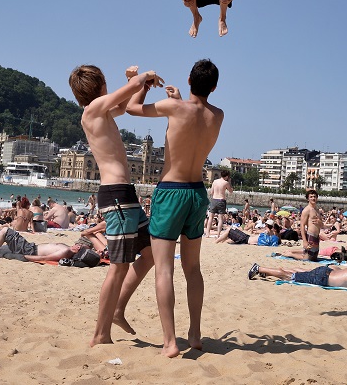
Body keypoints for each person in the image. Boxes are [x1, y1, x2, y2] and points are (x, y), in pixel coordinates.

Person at [124, 59, 224, 357]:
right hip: (197, 193)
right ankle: (194, 332)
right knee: (192, 268)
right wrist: (179, 99)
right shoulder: (217, 115)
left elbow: (131, 108)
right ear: (215, 87)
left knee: (164, 269)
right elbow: (191, 122)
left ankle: (170, 342)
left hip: (171, 192)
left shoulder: (174, 108)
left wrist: (142, 84)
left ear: (190, 80)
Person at [68, 63, 164, 348]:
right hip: (117, 196)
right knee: (119, 267)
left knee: (149, 255)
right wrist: (143, 76)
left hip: (126, 196)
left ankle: (118, 310)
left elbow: (128, 103)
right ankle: (99, 334)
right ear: (98, 86)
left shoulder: (102, 111)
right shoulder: (93, 110)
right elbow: (128, 92)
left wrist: (140, 83)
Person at [248, 249, 347, 291]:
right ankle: (259, 268)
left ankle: (266, 271)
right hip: (323, 279)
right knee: (289, 276)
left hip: (326, 271)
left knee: (296, 271)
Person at [0, 227, 80, 262]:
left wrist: (26, 257)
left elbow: (45, 258)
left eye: (80, 248)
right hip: (30, 247)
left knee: (5, 231)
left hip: (29, 250)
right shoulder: (68, 249)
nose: (78, 245)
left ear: (77, 252)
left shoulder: (66, 251)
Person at [205, 170, 233, 238]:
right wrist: (229, 182)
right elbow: (231, 191)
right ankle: (218, 234)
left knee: (211, 217)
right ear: (226, 176)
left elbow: (211, 192)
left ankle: (207, 233)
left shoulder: (215, 181)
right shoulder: (226, 183)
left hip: (214, 199)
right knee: (220, 218)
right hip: (221, 200)